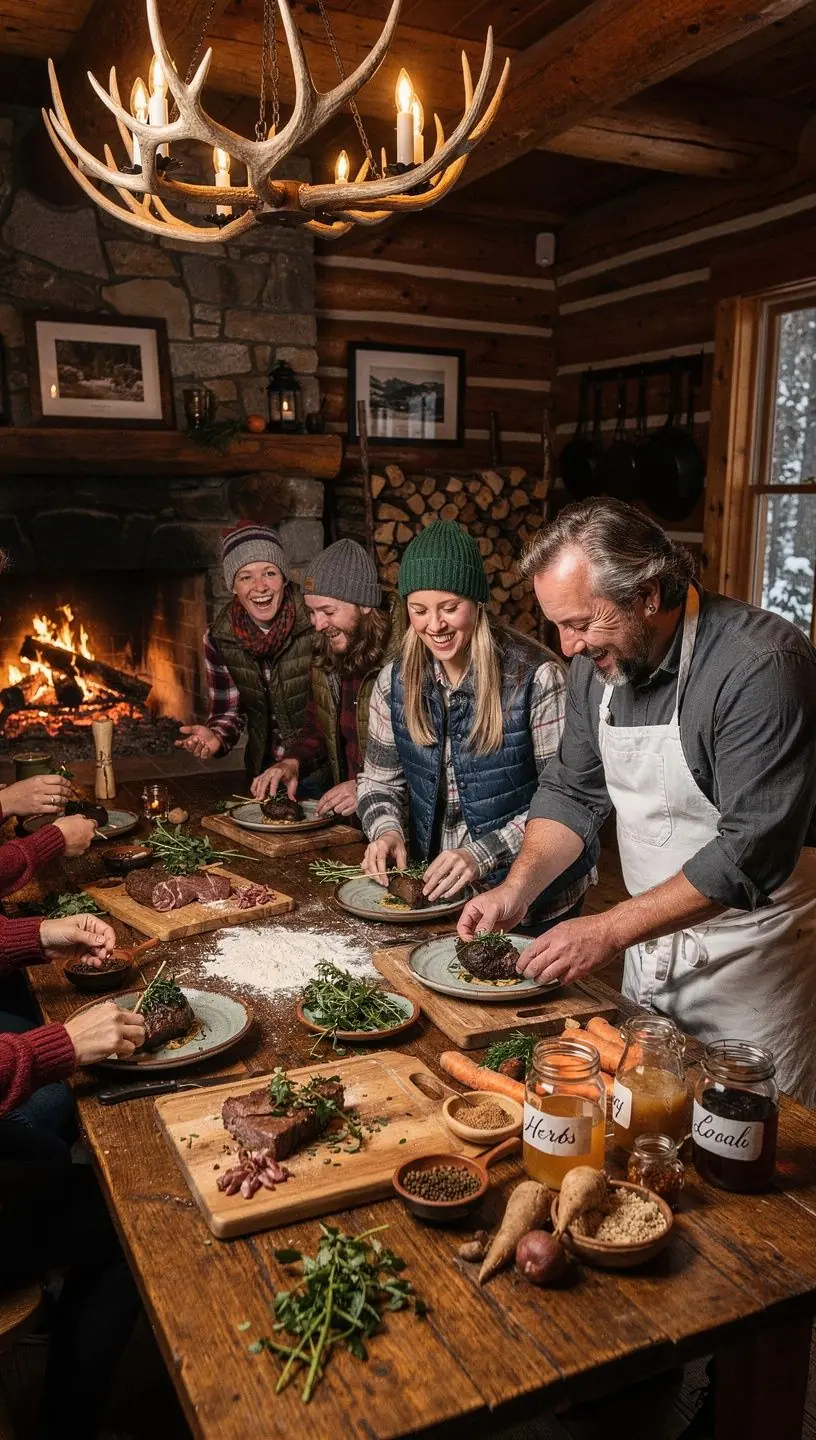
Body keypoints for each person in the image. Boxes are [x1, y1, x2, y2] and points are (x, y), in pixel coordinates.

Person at [458, 499, 816, 1103]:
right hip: (647, 949)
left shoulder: (761, 667)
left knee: (745, 1149)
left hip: (753, 963)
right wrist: (517, 889)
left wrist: (607, 929)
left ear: (649, 593)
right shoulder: (599, 666)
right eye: (557, 626)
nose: (567, 647)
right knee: (647, 1127)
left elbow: (750, 852)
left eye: (579, 623)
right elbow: (572, 790)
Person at [357, 519, 598, 916]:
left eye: (450, 608)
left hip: (535, 902)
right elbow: (378, 782)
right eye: (419, 610)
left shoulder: (537, 679)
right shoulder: (394, 681)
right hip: (444, 895)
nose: (434, 625)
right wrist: (385, 830)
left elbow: (564, 804)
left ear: (478, 602)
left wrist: (481, 855)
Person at [250, 538, 404, 817]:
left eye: (328, 611)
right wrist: (292, 762)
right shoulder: (328, 649)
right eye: (311, 612)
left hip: (400, 825)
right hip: (349, 821)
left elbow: (427, 759)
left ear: (365, 604)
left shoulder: (406, 658)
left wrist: (367, 786)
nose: (318, 624)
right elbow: (318, 729)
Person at [175, 522, 314, 780]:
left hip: (320, 772)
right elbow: (229, 710)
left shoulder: (316, 620)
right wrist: (216, 737)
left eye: (269, 573)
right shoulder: (219, 637)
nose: (260, 587)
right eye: (245, 577)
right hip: (264, 770)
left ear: (284, 578)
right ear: (233, 587)